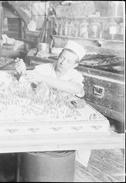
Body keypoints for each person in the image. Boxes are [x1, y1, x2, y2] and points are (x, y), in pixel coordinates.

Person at [15, 40, 91, 169]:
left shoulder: (76, 76)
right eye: (62, 57)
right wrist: (21, 73)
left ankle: (77, 169)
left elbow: (74, 88)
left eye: (68, 61)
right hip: (41, 114)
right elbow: (26, 84)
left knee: (84, 136)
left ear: (75, 64)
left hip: (64, 116)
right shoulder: (43, 68)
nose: (62, 62)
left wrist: (43, 79)